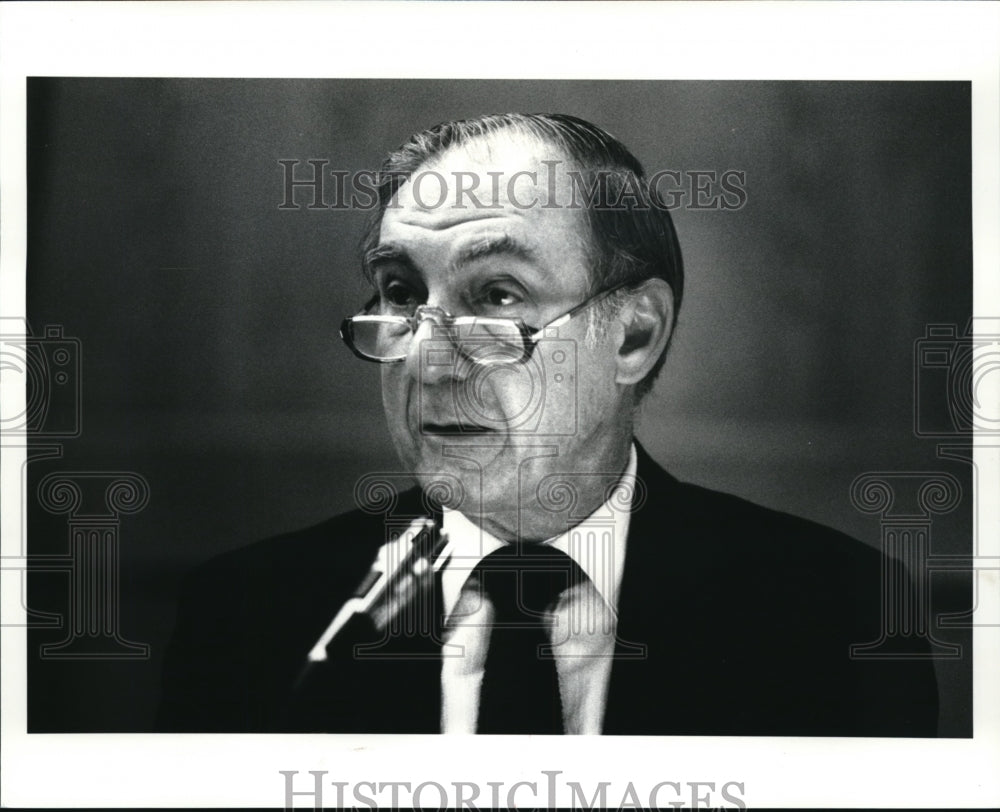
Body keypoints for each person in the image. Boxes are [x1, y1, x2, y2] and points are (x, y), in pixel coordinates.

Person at [157, 113, 939, 735]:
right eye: (399, 290)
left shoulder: (839, 613)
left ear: (633, 334)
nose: (429, 363)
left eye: (498, 295)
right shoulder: (249, 615)